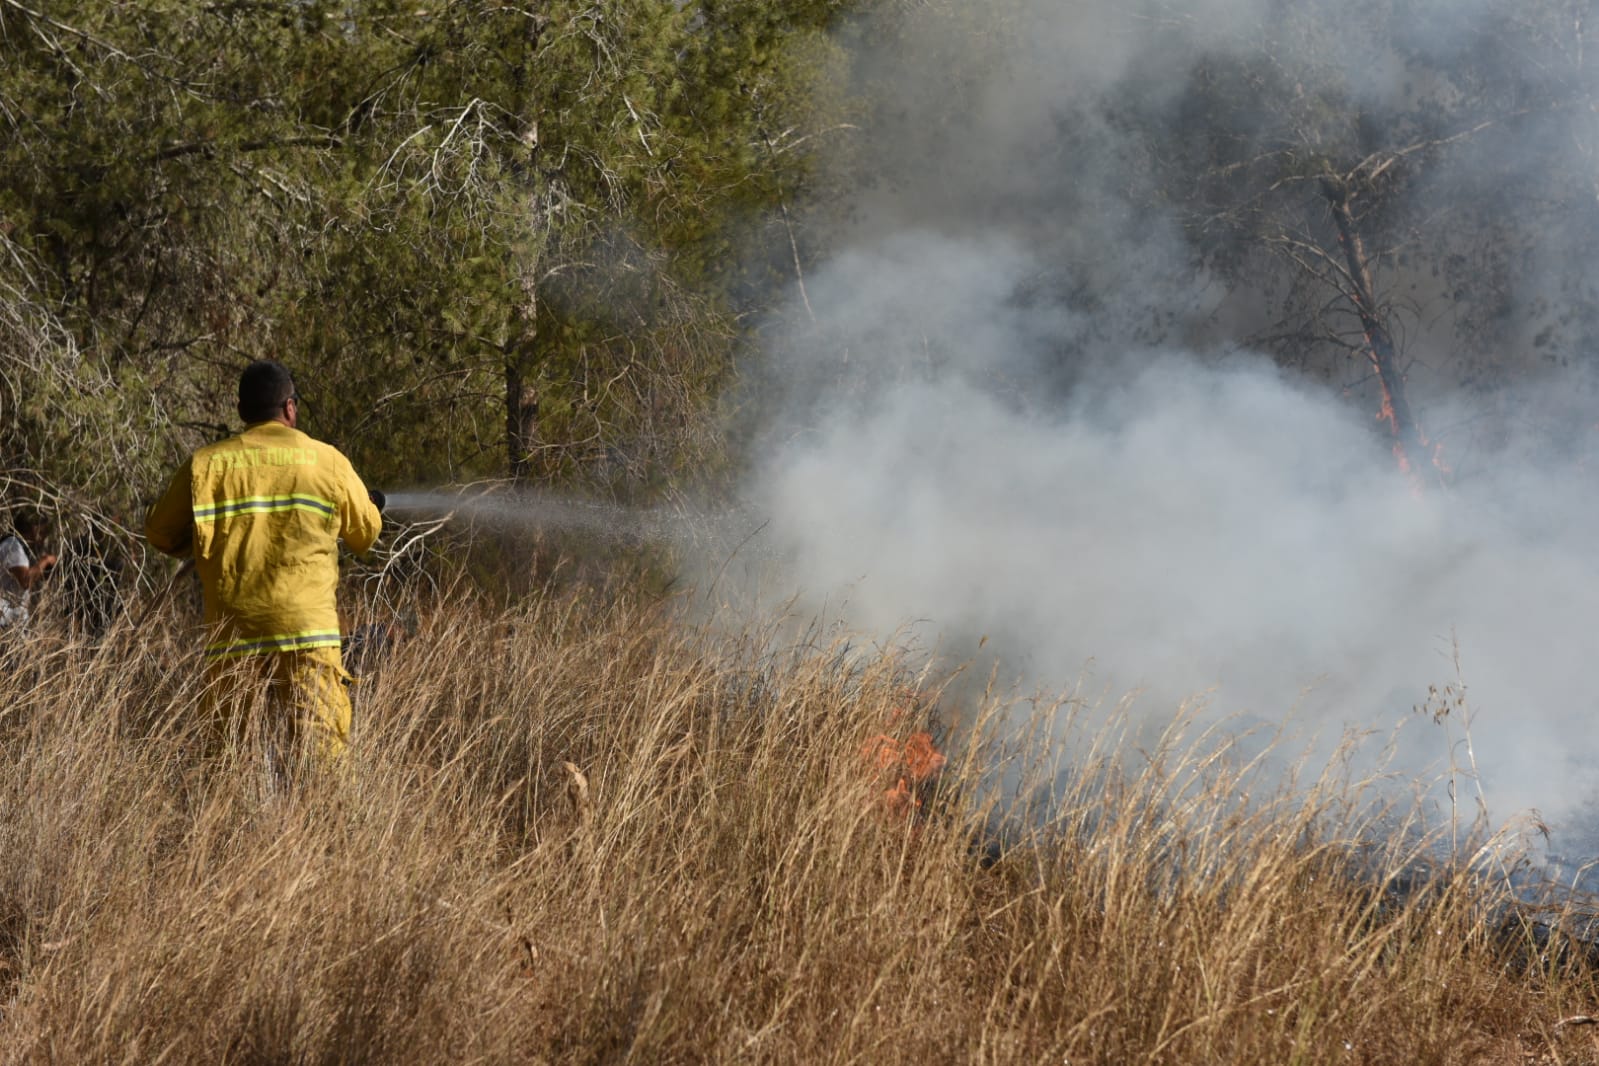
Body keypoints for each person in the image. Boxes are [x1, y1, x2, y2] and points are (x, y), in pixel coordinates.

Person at [145, 360, 383, 766]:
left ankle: (232, 829)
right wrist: (368, 507)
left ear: (241, 411)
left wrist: (202, 543)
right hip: (307, 631)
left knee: (230, 763)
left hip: (233, 631)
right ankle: (324, 828)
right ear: (290, 408)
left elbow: (160, 533)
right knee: (321, 762)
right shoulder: (328, 462)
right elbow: (366, 533)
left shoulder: (206, 464)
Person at [0, 507, 56, 630]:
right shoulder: (13, 545)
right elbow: (25, 580)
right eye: (42, 530)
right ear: (33, 528)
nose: (43, 534)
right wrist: (45, 560)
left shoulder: (14, 544)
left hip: (11, 622)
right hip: (6, 623)